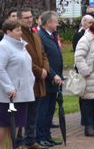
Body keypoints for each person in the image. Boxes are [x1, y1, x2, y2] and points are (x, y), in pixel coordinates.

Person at [0, 20, 35, 149]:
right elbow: (0, 68)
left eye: (20, 30)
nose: (21, 32)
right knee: (5, 127)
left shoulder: (21, 45)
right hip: (9, 97)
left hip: (22, 94)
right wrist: (9, 87)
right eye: (17, 30)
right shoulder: (3, 46)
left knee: (16, 126)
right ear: (8, 32)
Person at [17, 9, 49, 149]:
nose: (29, 20)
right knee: (22, 113)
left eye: (31, 17)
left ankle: (30, 140)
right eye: (26, 18)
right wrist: (38, 71)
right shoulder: (19, 36)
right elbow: (24, 59)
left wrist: (45, 69)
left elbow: (43, 54)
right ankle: (19, 141)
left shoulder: (35, 33)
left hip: (38, 80)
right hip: (26, 79)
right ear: (19, 19)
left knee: (33, 112)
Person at [36, 11, 63, 147]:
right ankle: (40, 137)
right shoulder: (40, 36)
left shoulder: (52, 35)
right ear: (48, 23)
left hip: (55, 80)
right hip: (46, 80)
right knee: (43, 110)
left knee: (50, 110)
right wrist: (53, 74)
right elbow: (43, 59)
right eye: (55, 21)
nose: (57, 23)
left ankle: (47, 136)